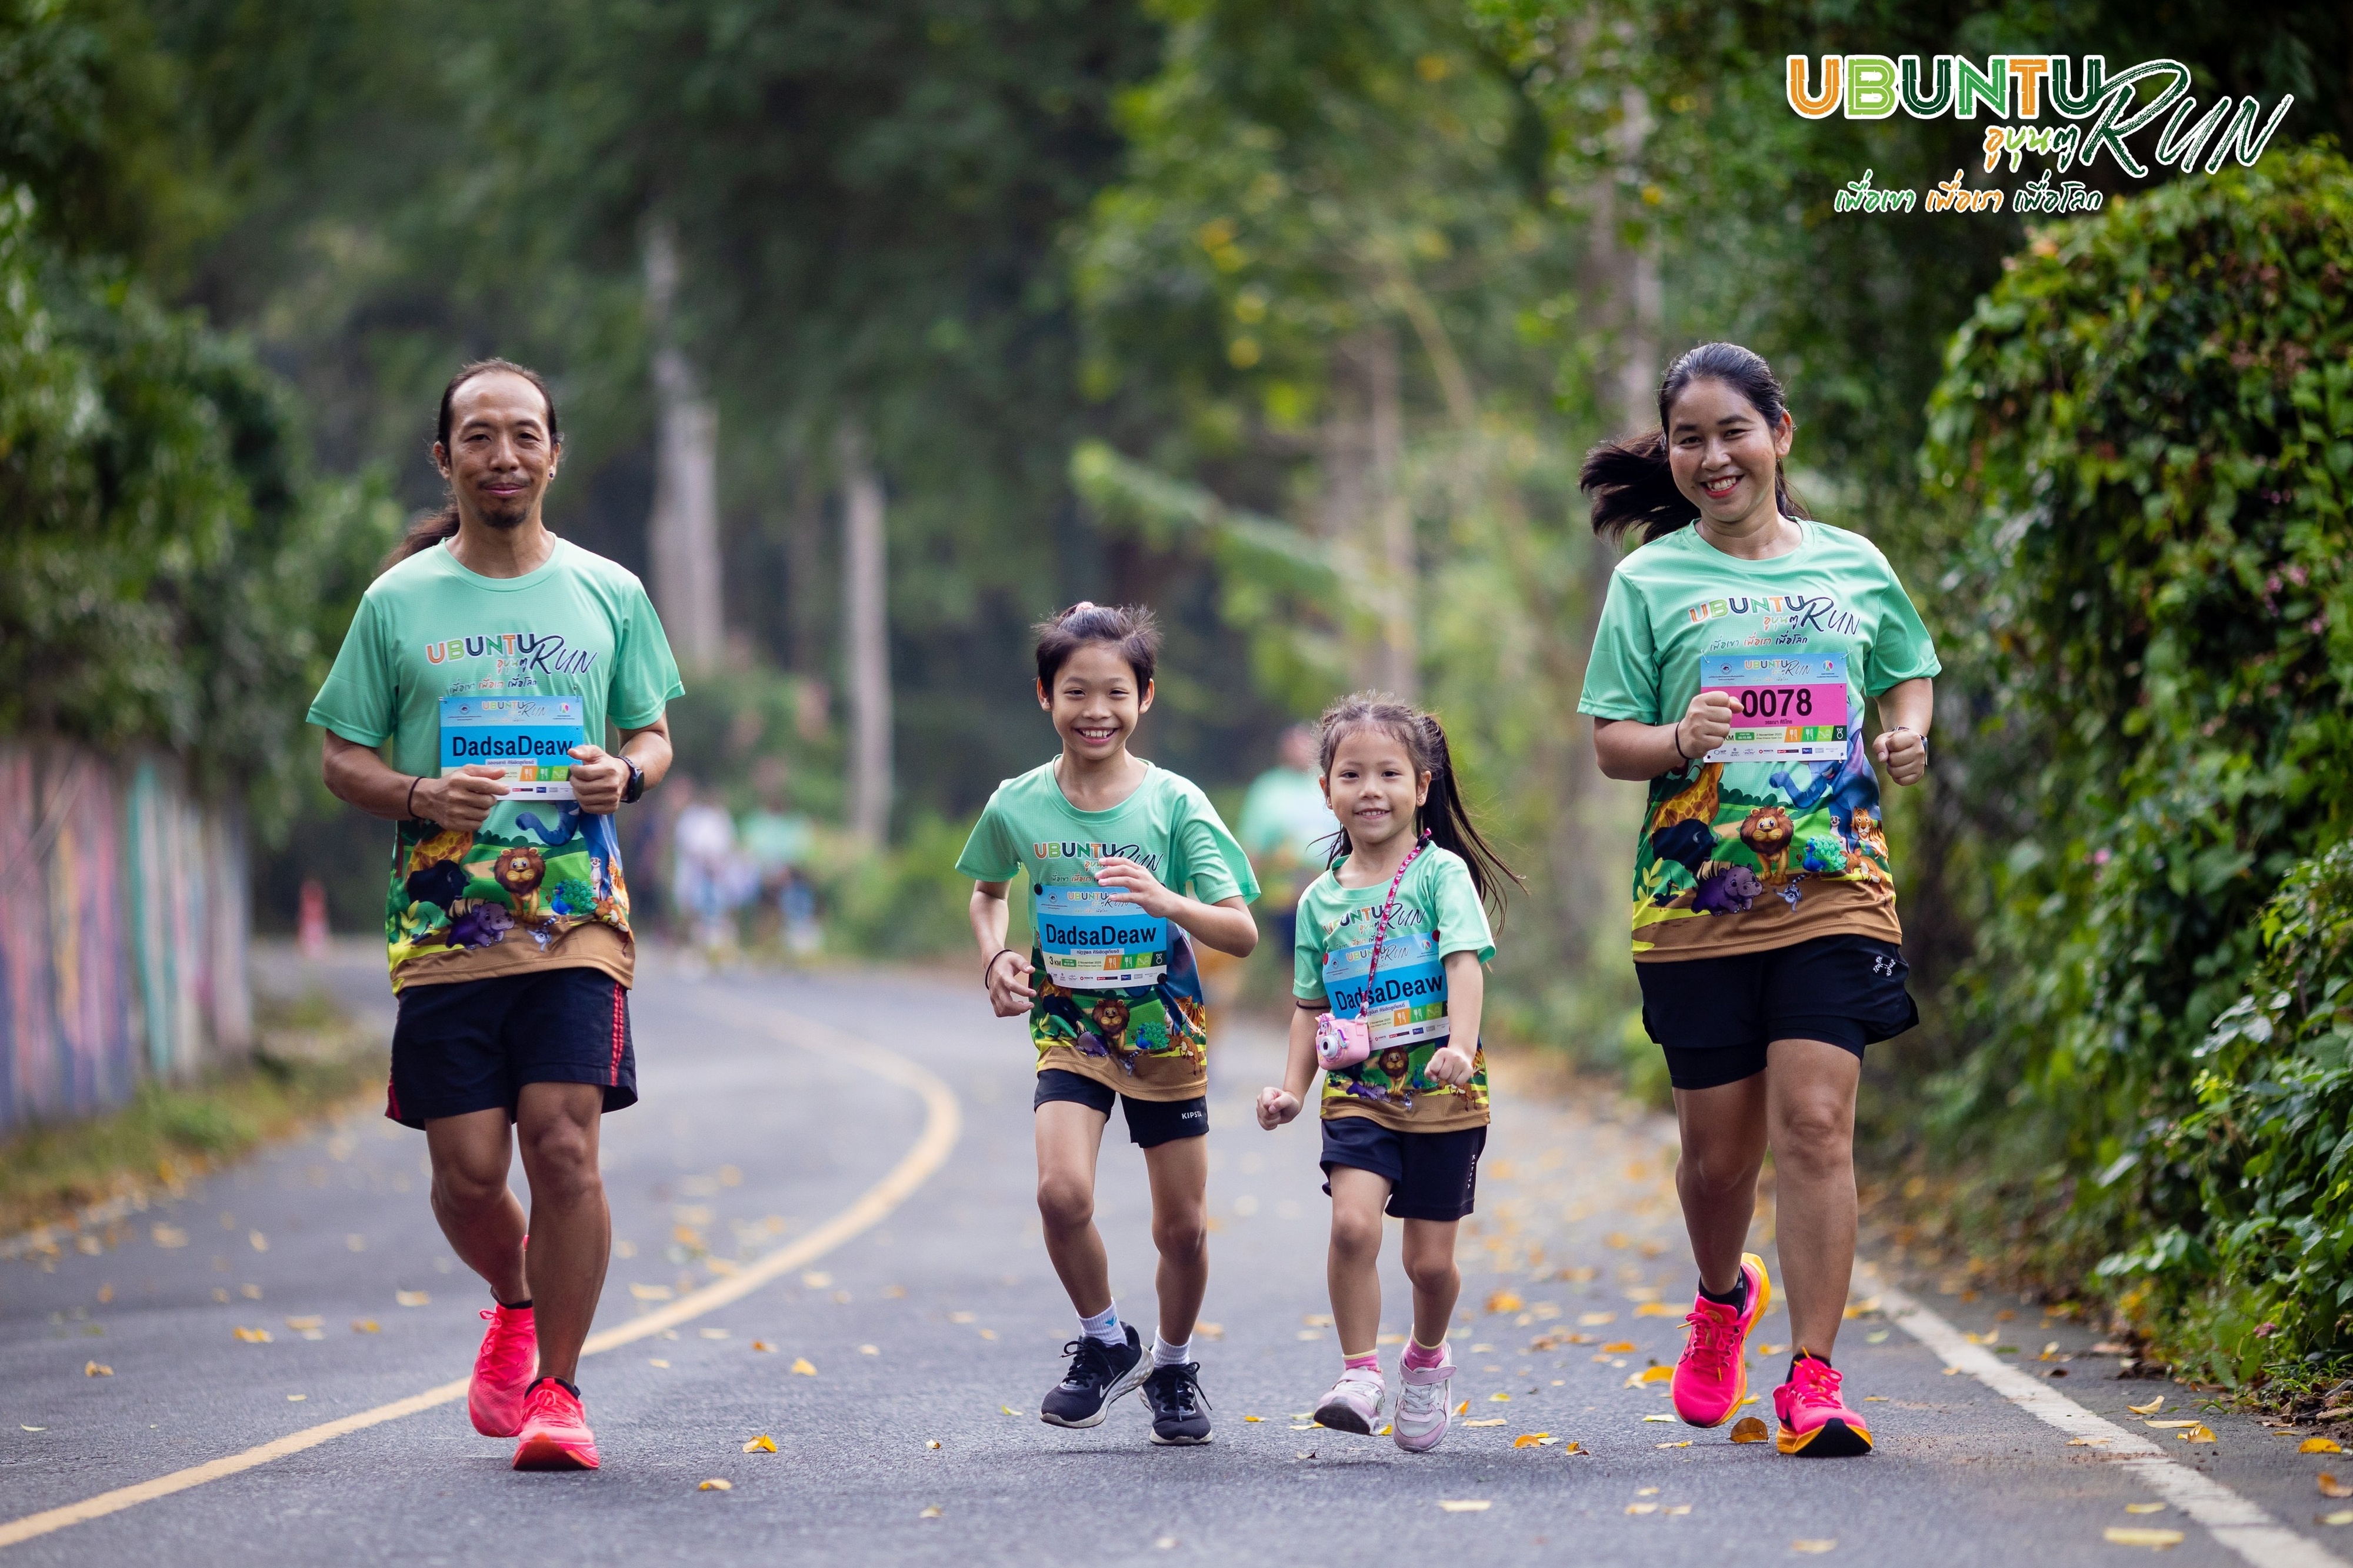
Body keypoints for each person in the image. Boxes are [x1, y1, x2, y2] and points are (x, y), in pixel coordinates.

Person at [309, 359, 682, 1472]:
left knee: (562, 1145)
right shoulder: (397, 603)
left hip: (576, 916)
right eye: (479, 436)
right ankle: (516, 1303)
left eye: (524, 434)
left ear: (554, 454)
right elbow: (341, 757)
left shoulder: (609, 591)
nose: (503, 455)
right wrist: (421, 794)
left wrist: (627, 772)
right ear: (446, 458)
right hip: (444, 923)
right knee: (470, 1174)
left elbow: (652, 733)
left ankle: (558, 1393)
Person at [1576, 341, 1938, 1459]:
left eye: (1733, 430)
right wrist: (1680, 737)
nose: (1713, 455)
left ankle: (1815, 1377)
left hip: (1835, 883)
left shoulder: (1852, 565)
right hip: (1697, 899)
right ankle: (1722, 1294)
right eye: (1689, 438)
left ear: (1779, 434)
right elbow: (1612, 743)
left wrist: (1907, 731)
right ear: (1672, 453)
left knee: (1817, 1125)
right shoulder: (1650, 581)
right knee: (1718, 1159)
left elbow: (1908, 665)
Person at [957, 602, 1259, 1446]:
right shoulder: (1017, 804)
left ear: (1145, 696)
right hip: (1069, 1028)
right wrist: (995, 954)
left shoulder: (1175, 803)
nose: (1097, 710)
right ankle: (1104, 1340)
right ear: (1044, 695)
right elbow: (987, 892)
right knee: (1061, 1194)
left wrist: (1169, 901)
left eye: (1116, 692)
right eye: (1077, 692)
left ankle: (1173, 1364)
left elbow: (1241, 929)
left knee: (1182, 1228)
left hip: (1165, 1032)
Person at [1255, 694, 1521, 1453]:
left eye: (1389, 773)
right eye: (1351, 774)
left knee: (1429, 1265)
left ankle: (1426, 1359)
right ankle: (1359, 1374)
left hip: (1443, 1091)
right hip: (1359, 1093)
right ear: (1326, 789)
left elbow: (1463, 963)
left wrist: (1461, 1046)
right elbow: (1309, 1007)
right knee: (1351, 1225)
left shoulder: (1440, 875)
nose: (1370, 789)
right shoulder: (1318, 900)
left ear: (1422, 785)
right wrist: (1292, 1088)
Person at [1235, 723, 1340, 961]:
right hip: (1286, 897)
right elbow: (1253, 848)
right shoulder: (1269, 789)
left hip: (1332, 889)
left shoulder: (1332, 783)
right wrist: (1244, 903)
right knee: (1297, 961)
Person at [739, 757, 820, 954]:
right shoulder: (753, 823)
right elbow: (747, 857)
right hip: (760, 879)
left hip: (790, 878)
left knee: (800, 887)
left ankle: (799, 931)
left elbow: (803, 856)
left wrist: (788, 871)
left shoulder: (796, 824)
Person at [668, 775, 749, 952]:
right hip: (696, 873)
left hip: (720, 873)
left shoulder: (722, 818)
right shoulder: (691, 817)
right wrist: (707, 862)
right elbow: (689, 849)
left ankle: (721, 932)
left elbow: (730, 847)